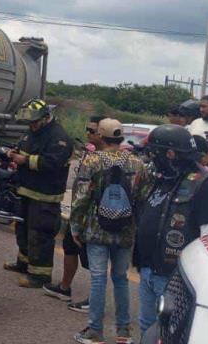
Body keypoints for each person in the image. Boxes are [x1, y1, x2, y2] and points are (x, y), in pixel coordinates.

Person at [133, 124, 208, 338]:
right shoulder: (165, 178)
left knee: (169, 335)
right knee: (147, 330)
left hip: (175, 280)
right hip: (149, 269)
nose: (152, 158)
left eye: (156, 153)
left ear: (170, 154)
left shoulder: (205, 186)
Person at [70, 119, 149, 344]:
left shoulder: (93, 161)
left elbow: (81, 197)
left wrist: (76, 226)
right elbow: (143, 199)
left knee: (98, 278)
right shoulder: (137, 163)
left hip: (97, 227)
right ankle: (124, 332)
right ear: (120, 137)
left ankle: (95, 331)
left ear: (101, 137)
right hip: (126, 228)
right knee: (121, 278)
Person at [4, 98, 73, 288]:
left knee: (40, 235)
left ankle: (40, 275)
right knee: (23, 230)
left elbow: (51, 163)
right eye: (29, 123)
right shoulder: (34, 132)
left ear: (46, 117)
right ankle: (24, 263)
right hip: (26, 191)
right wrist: (13, 153)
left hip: (45, 196)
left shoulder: (59, 138)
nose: (31, 126)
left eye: (34, 122)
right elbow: (25, 149)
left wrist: (24, 161)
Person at [45, 115, 105, 310]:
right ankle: (64, 288)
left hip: (94, 217)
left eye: (92, 131)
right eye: (87, 129)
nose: (88, 133)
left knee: (93, 260)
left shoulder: (107, 159)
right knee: (69, 247)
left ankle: (95, 301)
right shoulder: (89, 152)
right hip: (79, 212)